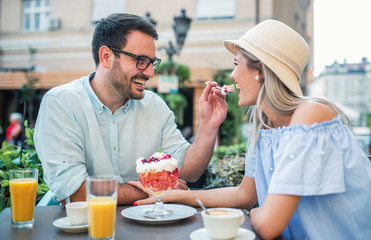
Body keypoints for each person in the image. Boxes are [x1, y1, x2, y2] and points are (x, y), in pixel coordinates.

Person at [129, 20, 371, 239]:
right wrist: (174, 195)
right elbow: (245, 195)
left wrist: (257, 212)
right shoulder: (264, 125)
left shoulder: (311, 115)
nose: (232, 75)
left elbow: (267, 225)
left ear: (262, 71)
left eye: (237, 64)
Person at [33, 13, 227, 206]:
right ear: (106, 57)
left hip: (145, 227)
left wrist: (209, 124)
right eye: (141, 60)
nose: (150, 72)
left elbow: (188, 172)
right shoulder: (61, 102)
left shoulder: (154, 105)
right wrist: (158, 189)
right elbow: (76, 193)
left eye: (152, 62)